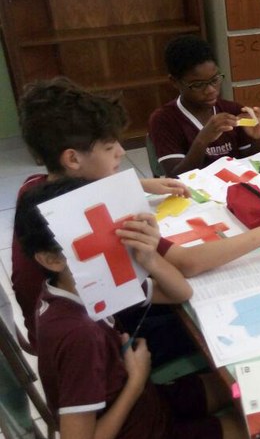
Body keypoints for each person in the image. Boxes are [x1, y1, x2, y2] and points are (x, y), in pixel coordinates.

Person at [12, 77, 260, 352]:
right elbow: (189, 263)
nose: (121, 153)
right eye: (109, 148)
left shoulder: (34, 190)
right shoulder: (94, 211)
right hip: (105, 339)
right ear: (72, 159)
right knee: (239, 323)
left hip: (54, 329)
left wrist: (140, 183)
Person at [14, 178, 247, 439]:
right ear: (51, 259)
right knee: (252, 426)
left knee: (244, 388)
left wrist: (150, 257)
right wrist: (135, 381)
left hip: (150, 404)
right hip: (142, 425)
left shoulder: (84, 285)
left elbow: (180, 292)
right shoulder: (78, 334)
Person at [149, 34, 260, 176]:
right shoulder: (164, 120)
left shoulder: (233, 110)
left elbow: (252, 166)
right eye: (198, 85)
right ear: (174, 82)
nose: (211, 90)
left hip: (236, 188)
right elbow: (176, 177)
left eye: (215, 79)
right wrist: (202, 140)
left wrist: (257, 138)